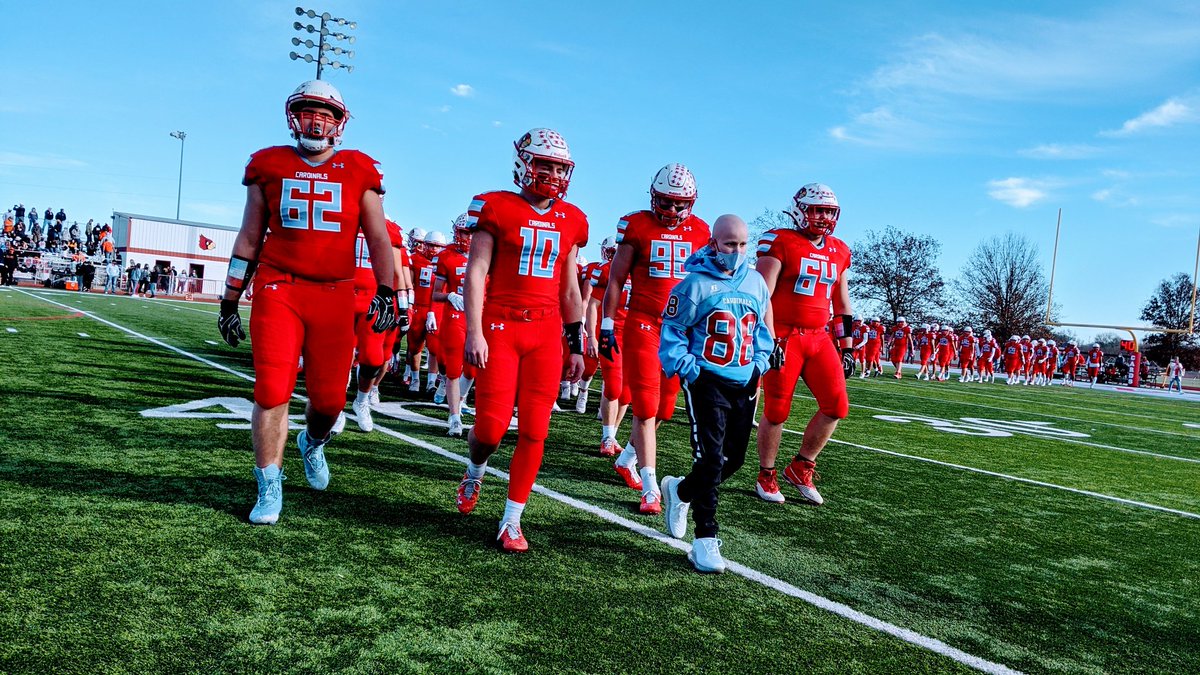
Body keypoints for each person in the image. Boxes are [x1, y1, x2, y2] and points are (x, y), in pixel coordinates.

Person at [217, 79, 397, 526]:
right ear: (292, 114)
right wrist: (230, 297)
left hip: (335, 292)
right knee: (272, 389)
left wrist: (388, 291)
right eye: (308, 110)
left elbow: (378, 238)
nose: (316, 120)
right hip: (280, 287)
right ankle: (268, 482)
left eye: (326, 113)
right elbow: (249, 235)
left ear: (340, 123)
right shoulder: (268, 163)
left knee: (330, 402)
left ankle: (312, 444)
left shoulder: (359, 169)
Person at [456, 127, 589, 553]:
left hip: (546, 331)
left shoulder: (572, 218)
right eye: (543, 163)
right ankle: (475, 467)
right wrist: (473, 329)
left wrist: (576, 340)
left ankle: (512, 519)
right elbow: (476, 272)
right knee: (492, 429)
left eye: (558, 166)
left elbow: (570, 288)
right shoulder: (495, 205)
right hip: (501, 325)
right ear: (522, 163)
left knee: (535, 429)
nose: (551, 173)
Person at [658, 215, 776, 573]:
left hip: (745, 381)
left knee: (734, 461)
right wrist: (689, 367)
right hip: (707, 379)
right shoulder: (693, 284)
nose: (736, 252)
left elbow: (762, 332)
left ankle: (680, 492)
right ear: (714, 243)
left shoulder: (755, 282)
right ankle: (705, 539)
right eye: (729, 244)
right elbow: (673, 330)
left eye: (742, 245)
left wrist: (759, 364)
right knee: (710, 460)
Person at [600, 163, 710, 515]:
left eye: (680, 204)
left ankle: (627, 458)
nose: (673, 211)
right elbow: (616, 279)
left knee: (664, 408)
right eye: (666, 202)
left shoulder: (702, 231)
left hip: (681, 331)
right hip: (645, 323)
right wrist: (605, 322)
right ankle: (650, 486)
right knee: (646, 406)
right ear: (653, 196)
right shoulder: (636, 225)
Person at [753, 183, 854, 505]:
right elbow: (761, 295)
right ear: (799, 210)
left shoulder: (839, 249)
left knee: (836, 406)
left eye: (828, 211)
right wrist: (767, 337)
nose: (823, 217)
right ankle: (766, 474)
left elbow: (842, 303)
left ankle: (801, 466)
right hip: (784, 334)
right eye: (816, 209)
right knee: (778, 410)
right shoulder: (780, 241)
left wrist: (847, 346)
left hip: (818, 336)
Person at [349, 216, 411, 432]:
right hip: (341, 293)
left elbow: (397, 273)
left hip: (373, 298)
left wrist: (403, 309)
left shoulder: (388, 229)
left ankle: (362, 400)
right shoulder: (341, 215)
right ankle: (336, 405)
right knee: (339, 355)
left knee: (373, 357)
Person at [586, 236, 632, 456]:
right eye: (612, 253)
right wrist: (591, 336)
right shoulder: (605, 271)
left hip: (637, 336)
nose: (616, 257)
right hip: (612, 333)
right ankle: (607, 436)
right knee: (613, 386)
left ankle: (612, 434)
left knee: (627, 393)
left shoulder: (643, 272)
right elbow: (593, 305)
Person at [431, 214, 475, 436]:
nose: (465, 237)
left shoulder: (489, 256)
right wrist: (448, 296)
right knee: (454, 369)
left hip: (479, 317)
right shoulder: (446, 257)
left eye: (469, 232)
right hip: (456, 317)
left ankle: (459, 399)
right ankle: (455, 417)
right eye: (463, 232)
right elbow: (435, 292)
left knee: (474, 368)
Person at [413, 230, 447, 393]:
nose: (433, 249)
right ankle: (414, 377)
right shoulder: (415, 259)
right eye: (430, 245)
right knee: (414, 347)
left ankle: (431, 382)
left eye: (437, 246)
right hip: (419, 306)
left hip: (437, 308)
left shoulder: (446, 261)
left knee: (435, 347)